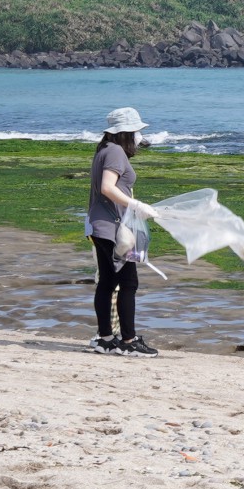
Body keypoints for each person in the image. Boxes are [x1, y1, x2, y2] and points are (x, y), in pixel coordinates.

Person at [85, 107, 159, 357]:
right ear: (126, 132)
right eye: (136, 131)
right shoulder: (116, 152)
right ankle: (128, 341)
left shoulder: (104, 150)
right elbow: (107, 188)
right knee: (128, 283)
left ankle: (105, 339)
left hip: (100, 225)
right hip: (112, 228)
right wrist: (135, 205)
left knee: (106, 283)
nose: (139, 136)